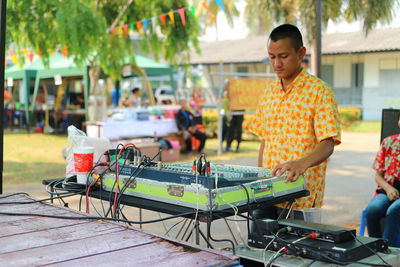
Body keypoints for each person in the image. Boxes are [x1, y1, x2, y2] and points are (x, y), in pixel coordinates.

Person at [249, 24, 341, 220]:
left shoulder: (319, 91)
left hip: (301, 197)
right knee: (258, 248)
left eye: (283, 56)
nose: (277, 64)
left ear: (301, 53)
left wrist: (302, 164)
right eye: (272, 57)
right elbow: (265, 141)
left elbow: (328, 143)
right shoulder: (268, 93)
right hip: (266, 193)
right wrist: (258, 177)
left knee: (296, 249)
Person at [365, 115, 400, 247]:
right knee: (372, 210)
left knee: (394, 210)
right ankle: (377, 249)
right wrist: (389, 188)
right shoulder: (388, 142)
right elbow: (378, 176)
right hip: (388, 189)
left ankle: (391, 253)